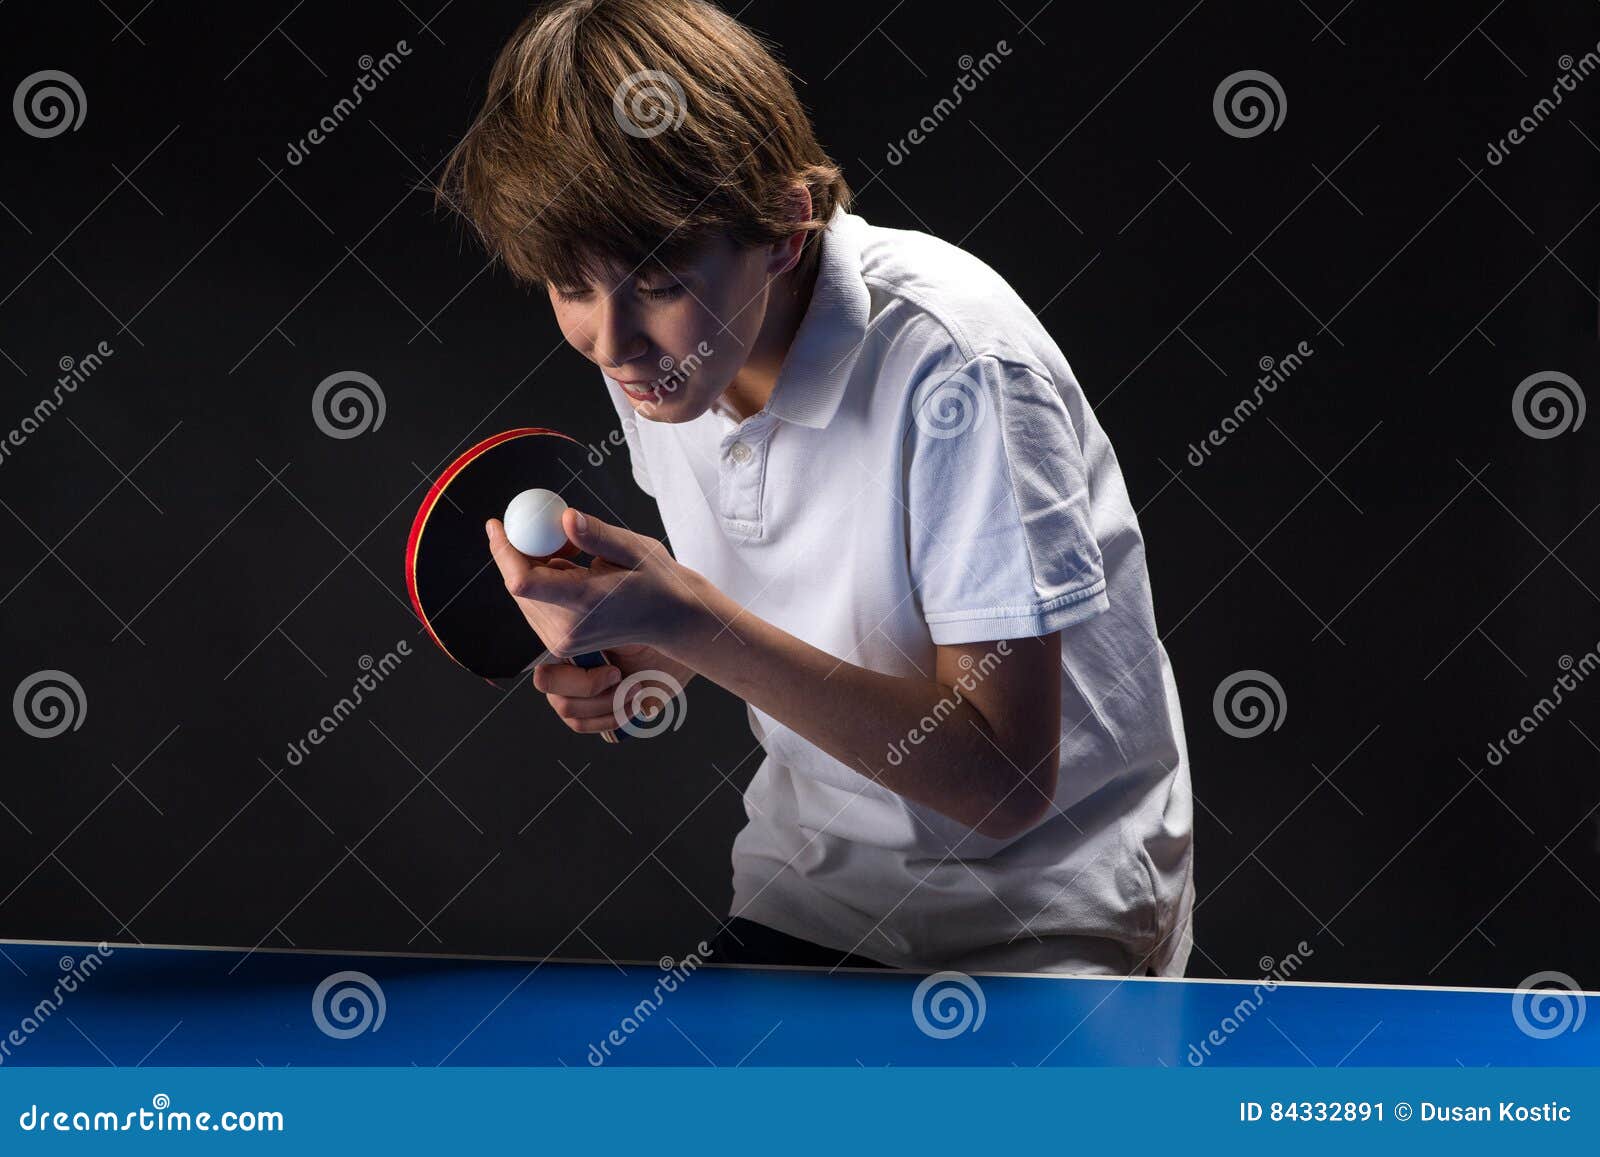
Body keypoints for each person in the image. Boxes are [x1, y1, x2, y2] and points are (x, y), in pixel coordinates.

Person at [441, 0, 1193, 976]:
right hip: (813, 894)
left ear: (786, 231)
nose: (610, 342)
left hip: (1047, 912)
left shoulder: (959, 368)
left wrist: (692, 620)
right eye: (571, 286)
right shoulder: (660, 362)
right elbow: (775, 604)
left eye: (660, 282)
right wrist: (648, 649)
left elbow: (1004, 781)